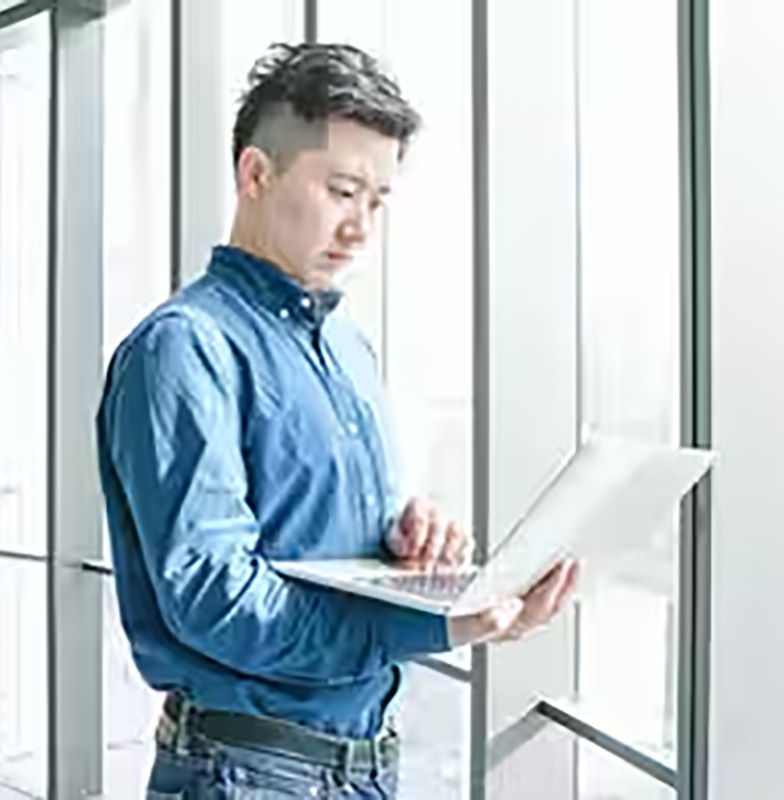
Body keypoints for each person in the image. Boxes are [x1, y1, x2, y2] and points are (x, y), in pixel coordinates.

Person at [96, 42, 578, 799]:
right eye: (342, 191)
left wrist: (411, 542)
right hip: (245, 774)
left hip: (364, 767)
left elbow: (323, 542)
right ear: (256, 174)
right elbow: (218, 600)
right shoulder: (183, 350)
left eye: (378, 199)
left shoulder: (350, 350)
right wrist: (442, 625)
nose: (361, 227)